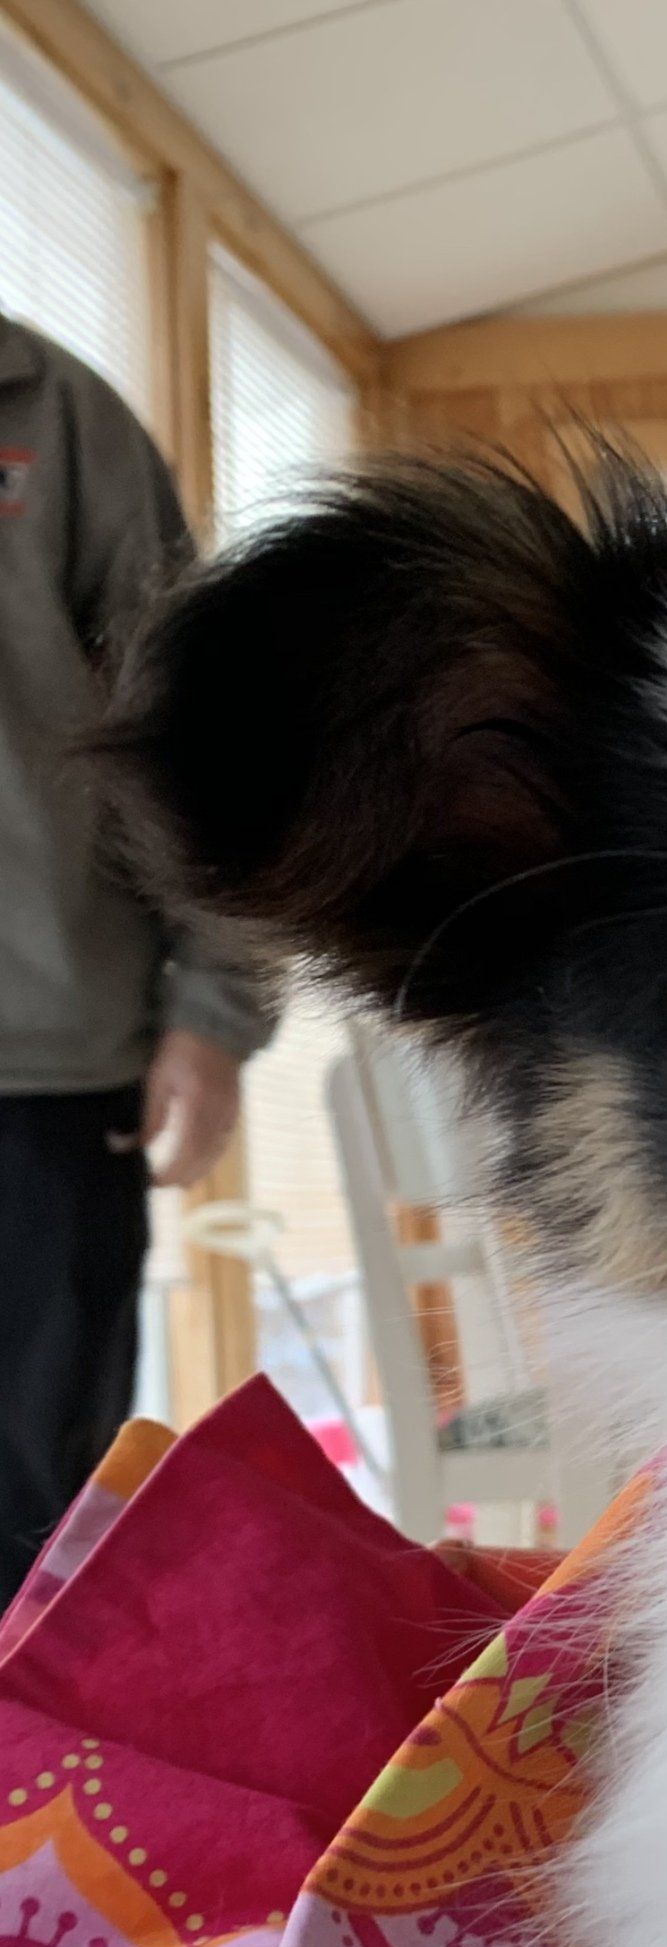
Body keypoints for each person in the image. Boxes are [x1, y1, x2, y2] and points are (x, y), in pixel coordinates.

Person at [0, 306, 272, 1604]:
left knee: (38, 1517)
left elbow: (198, 734)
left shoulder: (53, 416)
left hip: (42, 1070)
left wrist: (213, 1008)